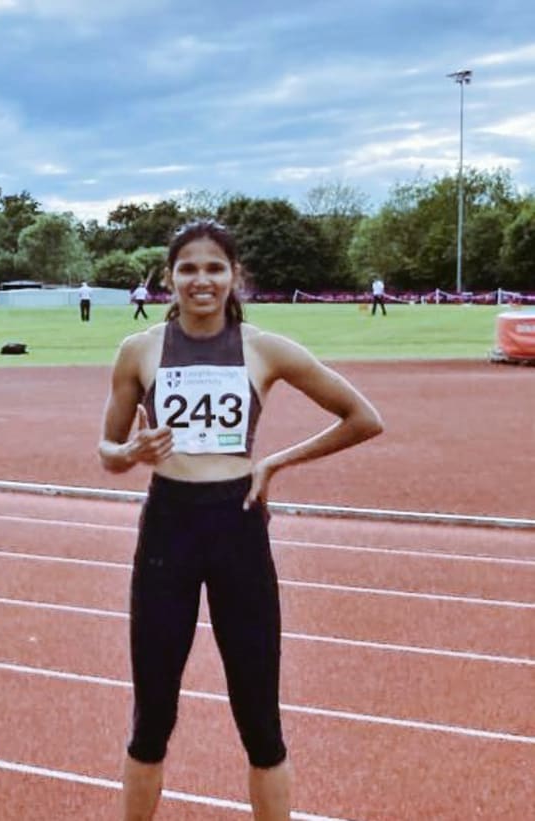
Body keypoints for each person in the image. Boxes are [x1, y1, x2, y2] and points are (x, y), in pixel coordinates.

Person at [97, 219, 383, 821]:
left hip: (238, 528)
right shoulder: (139, 350)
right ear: (169, 277)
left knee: (260, 721)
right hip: (168, 529)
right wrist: (132, 452)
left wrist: (275, 461)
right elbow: (108, 451)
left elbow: (362, 417)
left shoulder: (264, 348)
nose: (201, 280)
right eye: (188, 268)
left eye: (214, 268)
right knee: (152, 718)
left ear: (234, 276)